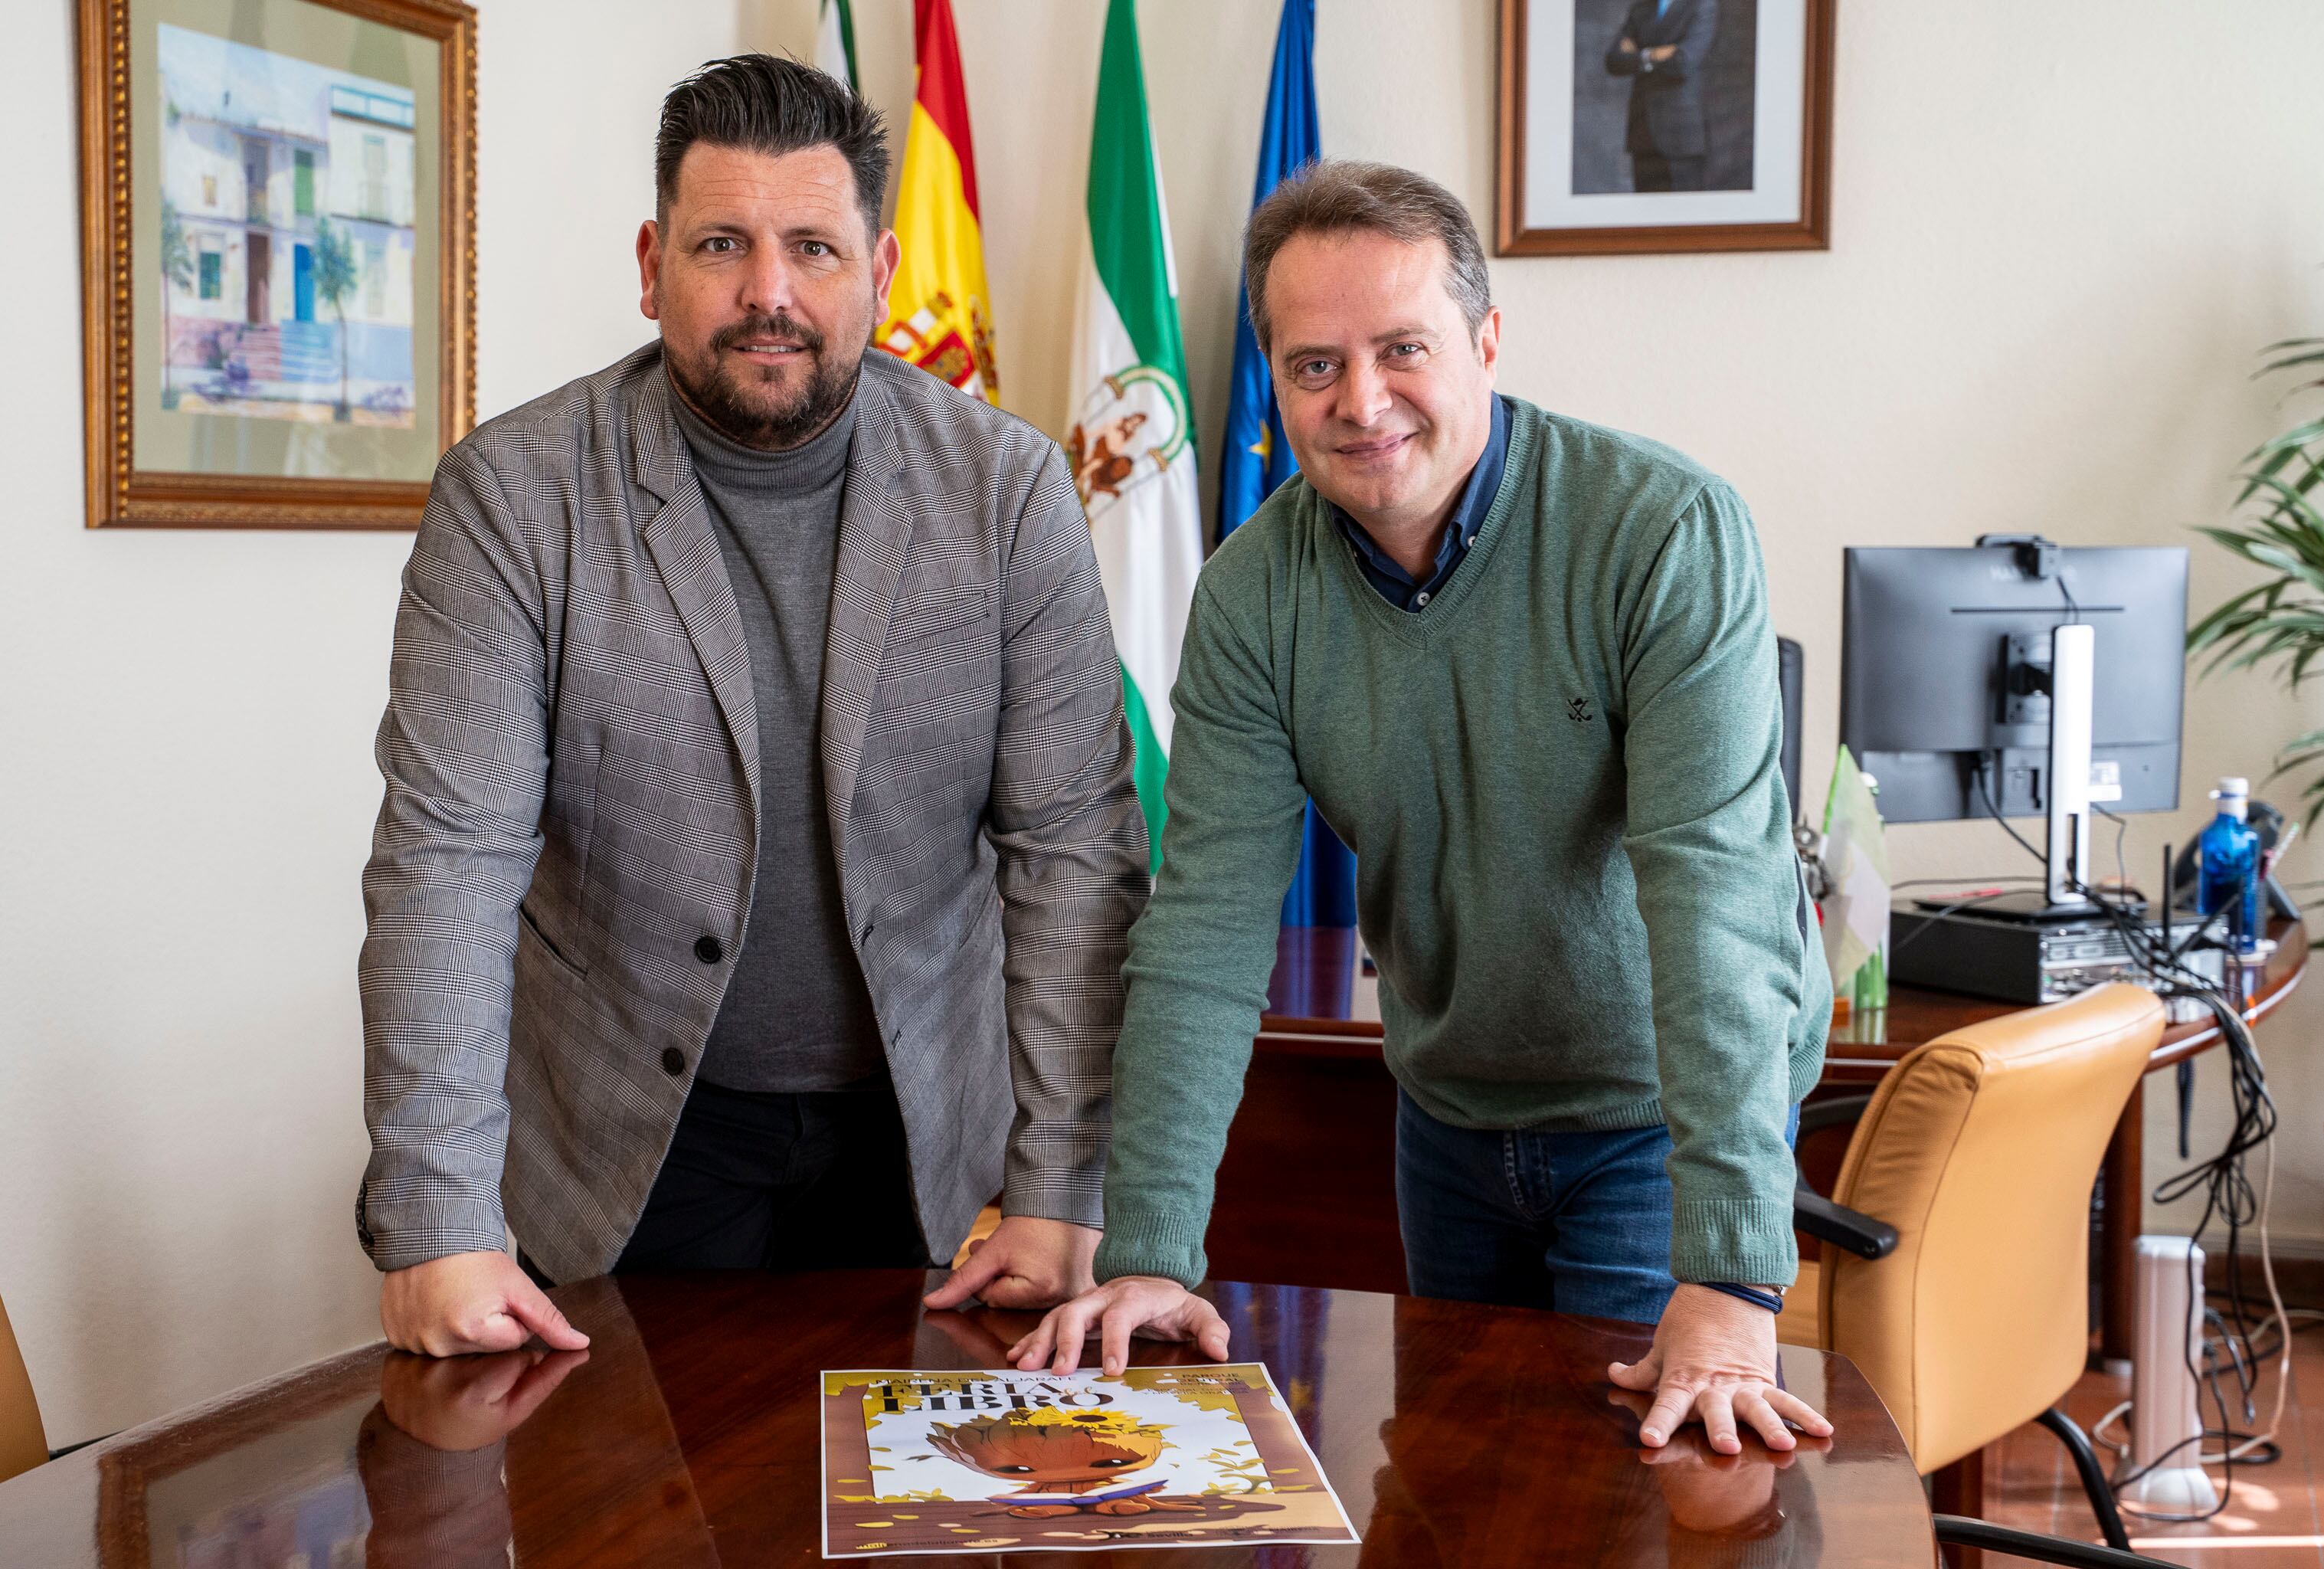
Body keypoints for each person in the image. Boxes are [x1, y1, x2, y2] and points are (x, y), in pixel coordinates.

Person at [1012, 160, 1834, 1456]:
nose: (1362, 401)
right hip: (1448, 1112)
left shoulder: (1663, 531)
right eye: (1313, 365)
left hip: (1658, 1114)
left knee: (1635, 1496)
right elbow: (1206, 929)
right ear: (1273, 383)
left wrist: (1733, 1273)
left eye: (1403, 348)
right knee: (1452, 1485)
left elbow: (1716, 902)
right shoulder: (1248, 595)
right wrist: (1154, 1248)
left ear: (1486, 342)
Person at [358, 54, 1148, 1356]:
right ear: (651, 260)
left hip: (920, 1140)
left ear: (883, 271)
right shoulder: (513, 495)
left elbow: (1072, 855)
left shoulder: (1007, 493)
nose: (768, 293)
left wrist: (1065, 1179)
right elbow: (449, 858)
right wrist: (438, 1212)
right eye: (721, 242)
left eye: (813, 249)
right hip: (622, 1144)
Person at [1605, 0, 1720, 193]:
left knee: (1685, 215)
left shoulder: (1702, 5)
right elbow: (1614, 61)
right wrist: (1652, 55)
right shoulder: (1641, 7)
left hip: (1682, 134)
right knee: (1645, 217)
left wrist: (1639, 55)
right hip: (1642, 133)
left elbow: (1684, 62)